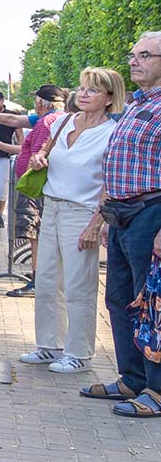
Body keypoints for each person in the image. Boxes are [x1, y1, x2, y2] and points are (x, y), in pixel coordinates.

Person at [16, 69, 124, 374]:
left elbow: (110, 182)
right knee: (47, 280)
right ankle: (49, 345)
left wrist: (96, 223)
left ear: (109, 98)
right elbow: (44, 151)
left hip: (82, 211)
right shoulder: (64, 122)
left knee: (79, 285)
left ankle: (79, 353)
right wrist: (39, 158)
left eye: (93, 90)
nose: (84, 94)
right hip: (51, 206)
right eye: (82, 87)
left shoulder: (113, 132)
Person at [82, 32, 161, 415]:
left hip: (151, 213)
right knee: (119, 299)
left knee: (152, 304)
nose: (133, 61)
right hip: (122, 214)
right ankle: (132, 379)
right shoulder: (137, 104)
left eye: (144, 55)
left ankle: (156, 391)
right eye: (133, 54)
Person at [0, 83, 65, 297]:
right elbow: (12, 120)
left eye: (36, 100)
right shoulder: (56, 118)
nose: (34, 104)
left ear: (42, 103)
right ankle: (41, 278)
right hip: (43, 187)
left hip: (36, 188)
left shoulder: (46, 122)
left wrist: (2, 147)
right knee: (39, 234)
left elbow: (38, 155)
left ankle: (38, 281)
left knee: (35, 233)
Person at [0, 88, 23, 231]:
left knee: (2, 188)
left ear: (2, 101)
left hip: (3, 157)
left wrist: (22, 153)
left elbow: (20, 136)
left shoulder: (11, 115)